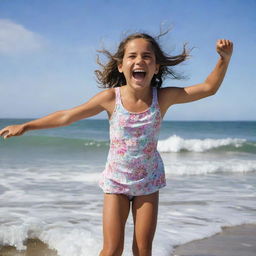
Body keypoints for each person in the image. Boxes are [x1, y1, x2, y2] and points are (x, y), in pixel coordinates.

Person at [0, 31, 233, 256]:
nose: (139, 60)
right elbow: (67, 116)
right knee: (112, 250)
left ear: (156, 67)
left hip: (148, 182)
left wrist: (224, 59)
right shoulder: (111, 98)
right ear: (121, 66)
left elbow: (208, 88)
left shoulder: (162, 97)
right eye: (132, 56)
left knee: (143, 251)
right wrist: (27, 126)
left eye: (146, 56)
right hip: (116, 181)